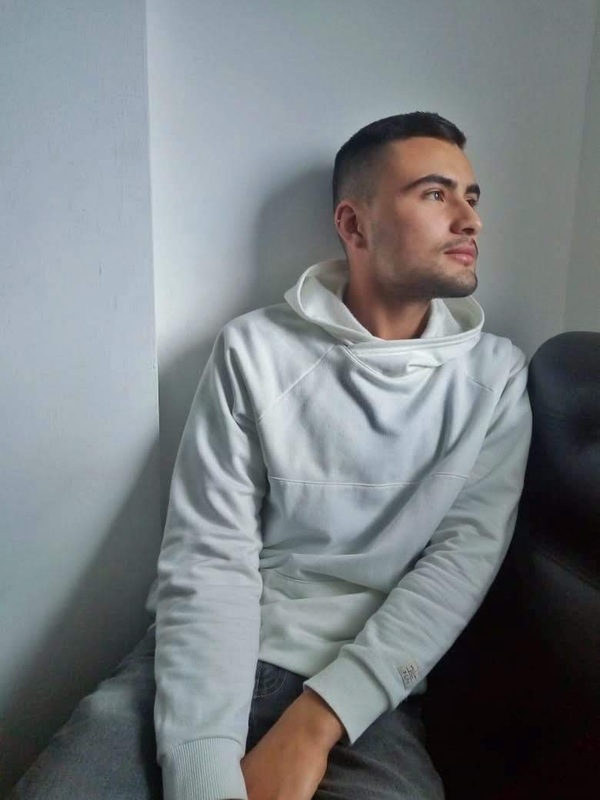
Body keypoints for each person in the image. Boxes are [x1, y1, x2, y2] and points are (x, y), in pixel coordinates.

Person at [11, 112, 532, 800]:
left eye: (471, 196)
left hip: (367, 695)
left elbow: (457, 571)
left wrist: (314, 725)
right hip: (204, 663)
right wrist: (204, 771)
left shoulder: (497, 377)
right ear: (354, 225)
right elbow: (209, 560)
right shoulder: (254, 351)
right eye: (436, 194)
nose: (470, 220)